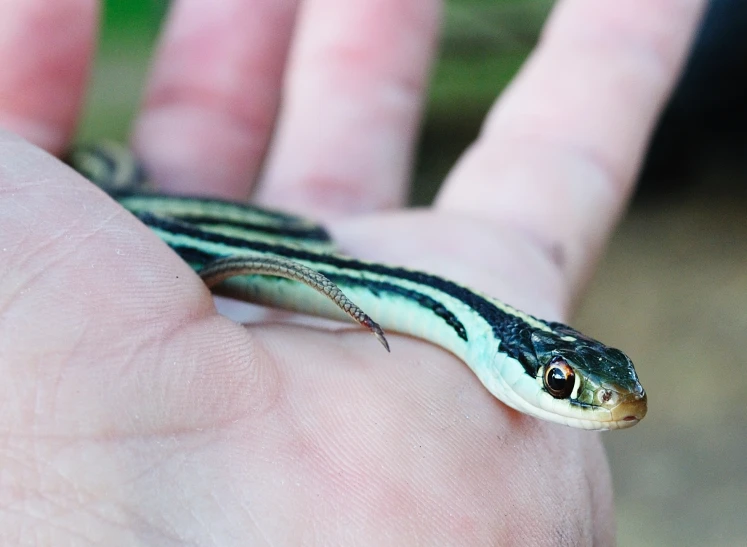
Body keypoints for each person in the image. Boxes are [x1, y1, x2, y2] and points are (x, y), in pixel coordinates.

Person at [0, 0, 705, 544]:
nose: (612, 403)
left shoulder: (462, 322)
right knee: (243, 223)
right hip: (171, 219)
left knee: (299, 233)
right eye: (561, 382)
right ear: (517, 356)